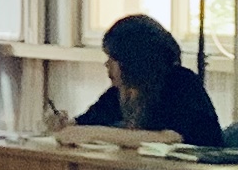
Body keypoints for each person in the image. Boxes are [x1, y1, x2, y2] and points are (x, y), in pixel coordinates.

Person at [75, 12, 224, 147]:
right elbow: (84, 125)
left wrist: (95, 133)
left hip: (196, 166)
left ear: (133, 60)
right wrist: (67, 124)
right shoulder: (121, 91)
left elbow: (169, 138)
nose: (107, 64)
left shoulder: (181, 82)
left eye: (113, 58)